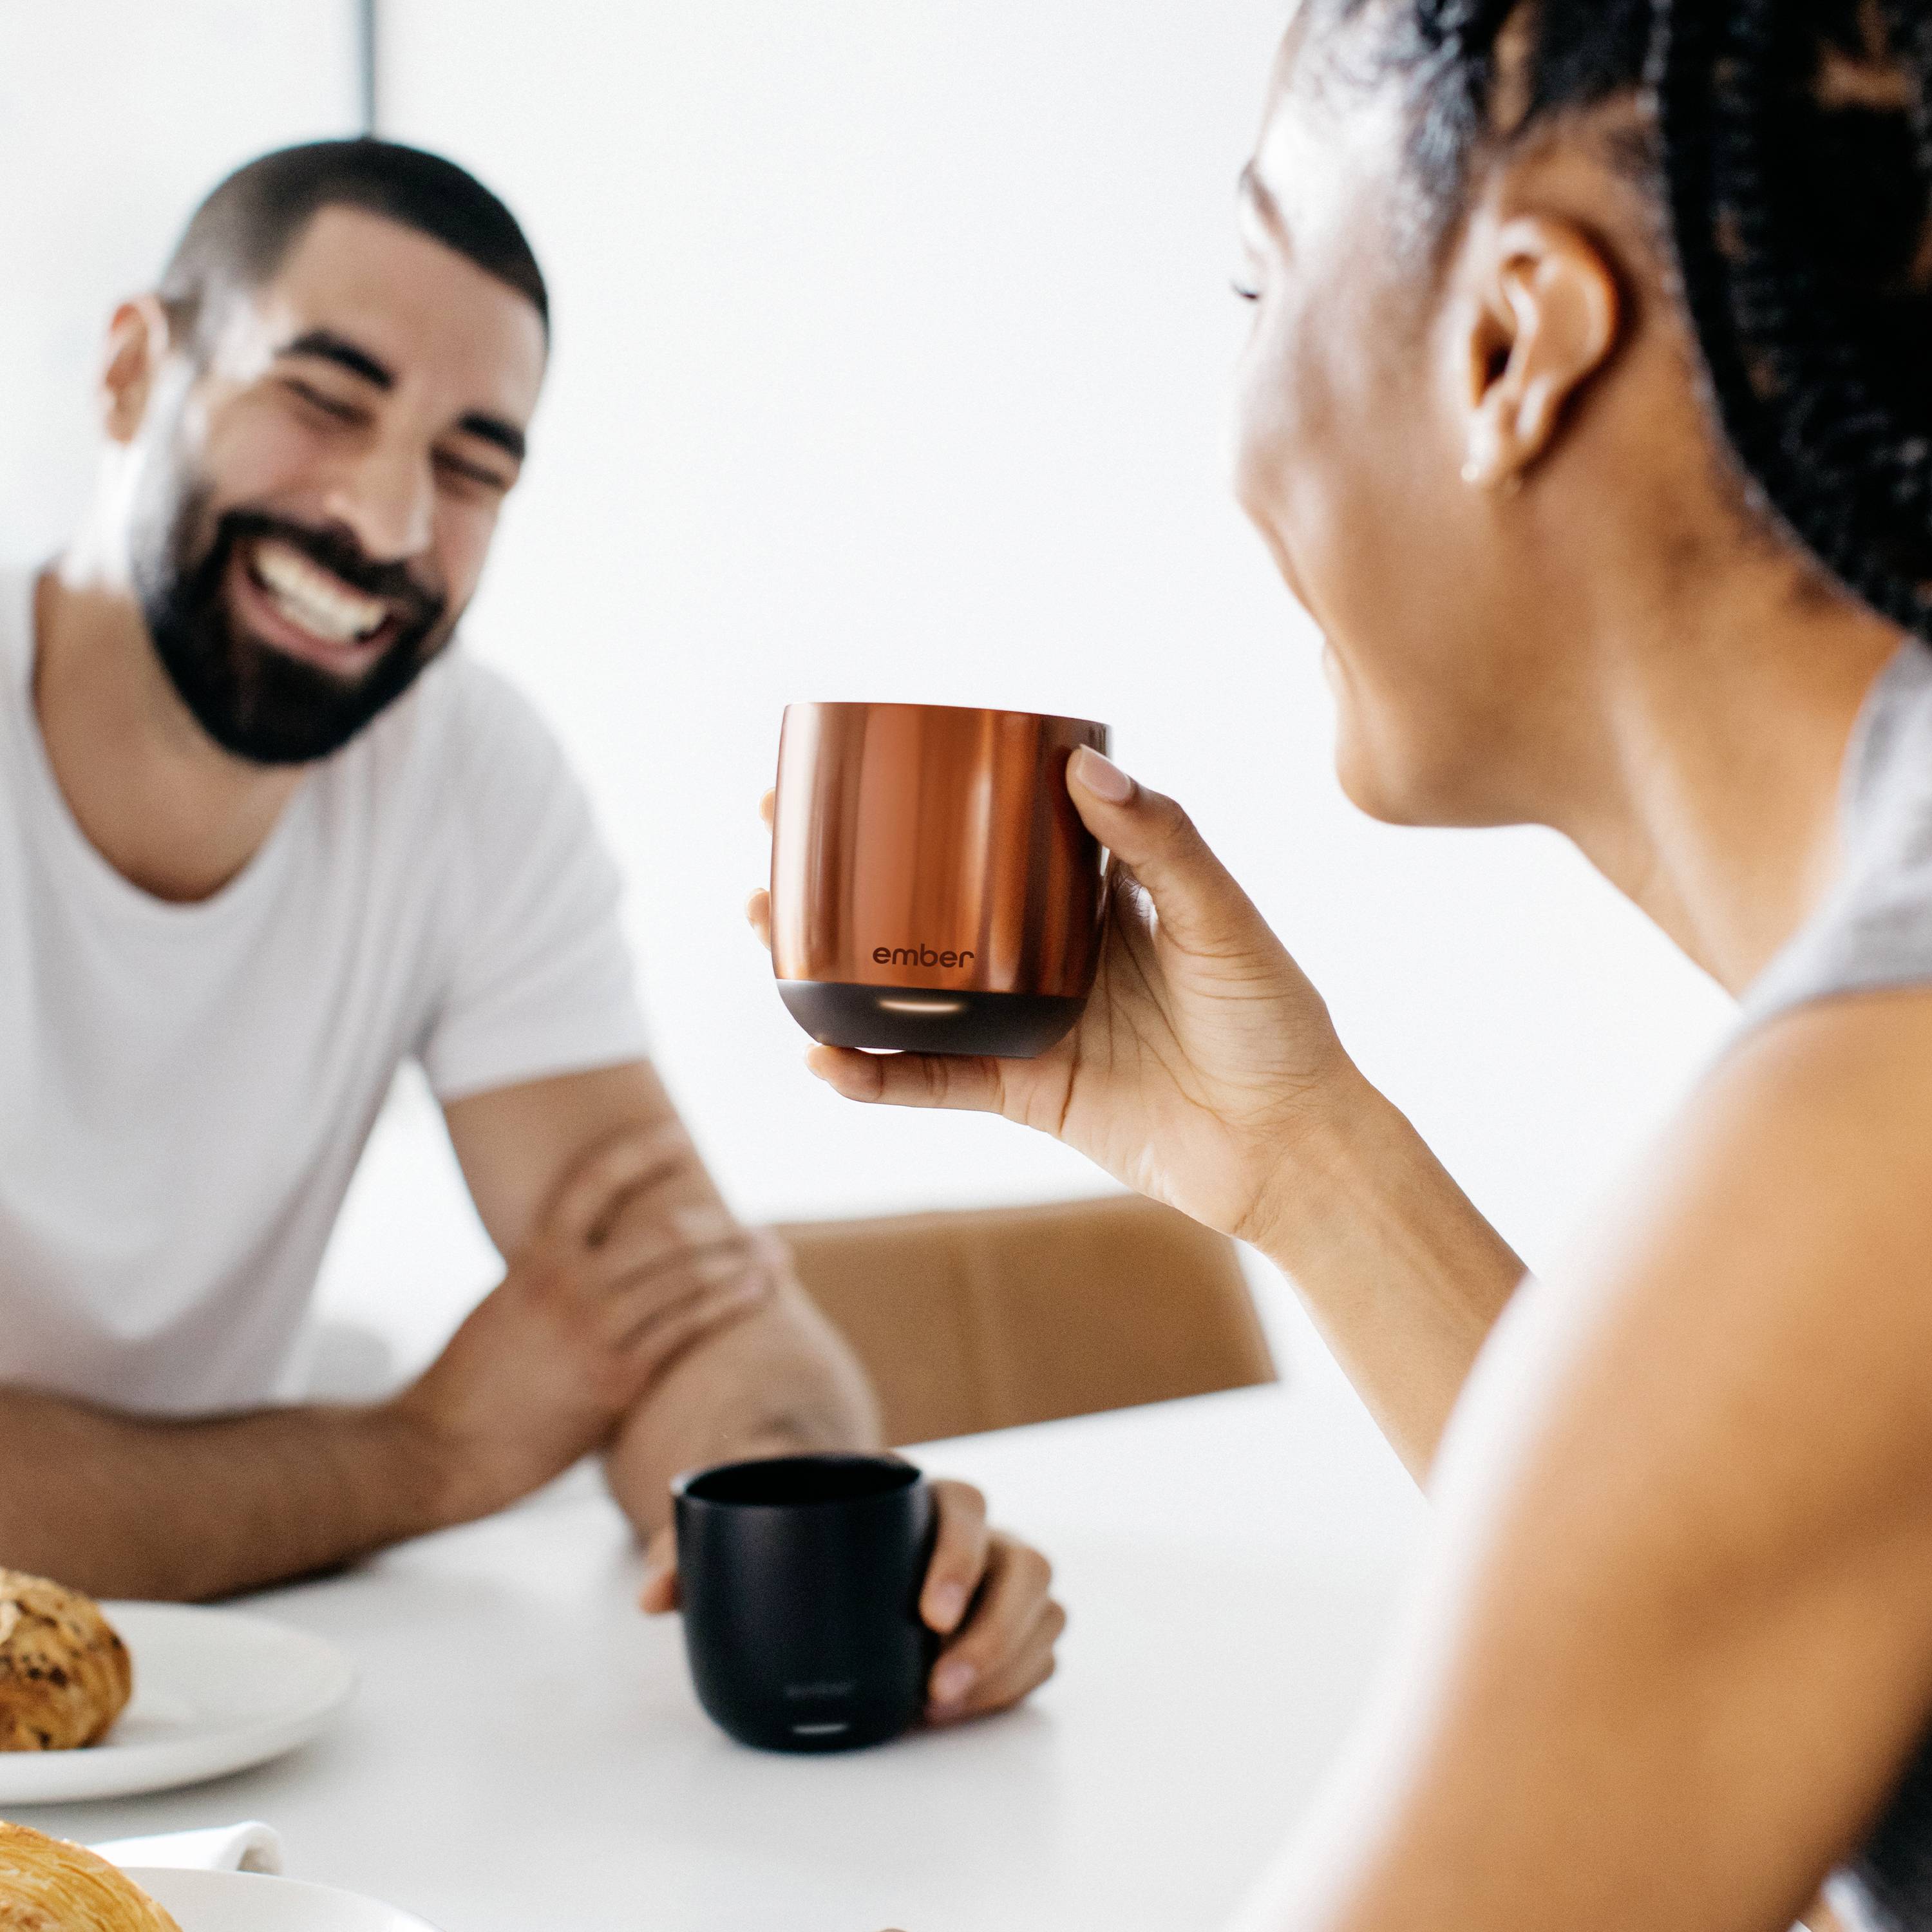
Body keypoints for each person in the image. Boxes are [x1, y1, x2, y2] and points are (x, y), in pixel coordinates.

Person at [761, 0, 1932, 1922]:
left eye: (1255, 276)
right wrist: (1298, 1152)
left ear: (1513, 343)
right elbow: (1712, 1584)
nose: (1229, 451)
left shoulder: (1872, 1147)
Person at [0, 138, 1062, 1730]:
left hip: (193, 1723)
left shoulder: (466, 775)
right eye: (324, 399)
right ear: (134, 370)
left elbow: (668, 1298)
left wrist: (812, 1524)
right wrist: (427, 1452)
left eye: (472, 463)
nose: (383, 516)